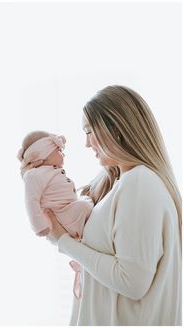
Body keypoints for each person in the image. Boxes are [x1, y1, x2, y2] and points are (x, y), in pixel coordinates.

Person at [43, 85, 182, 326]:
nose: (87, 144)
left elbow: (132, 282)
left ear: (116, 129)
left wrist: (62, 241)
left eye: (89, 131)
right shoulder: (125, 183)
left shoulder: (140, 182)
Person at [17, 130, 93, 239]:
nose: (64, 155)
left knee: (85, 203)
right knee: (84, 206)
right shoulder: (34, 175)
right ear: (44, 154)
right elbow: (31, 201)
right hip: (59, 217)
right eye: (59, 151)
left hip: (65, 213)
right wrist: (39, 226)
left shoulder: (51, 171)